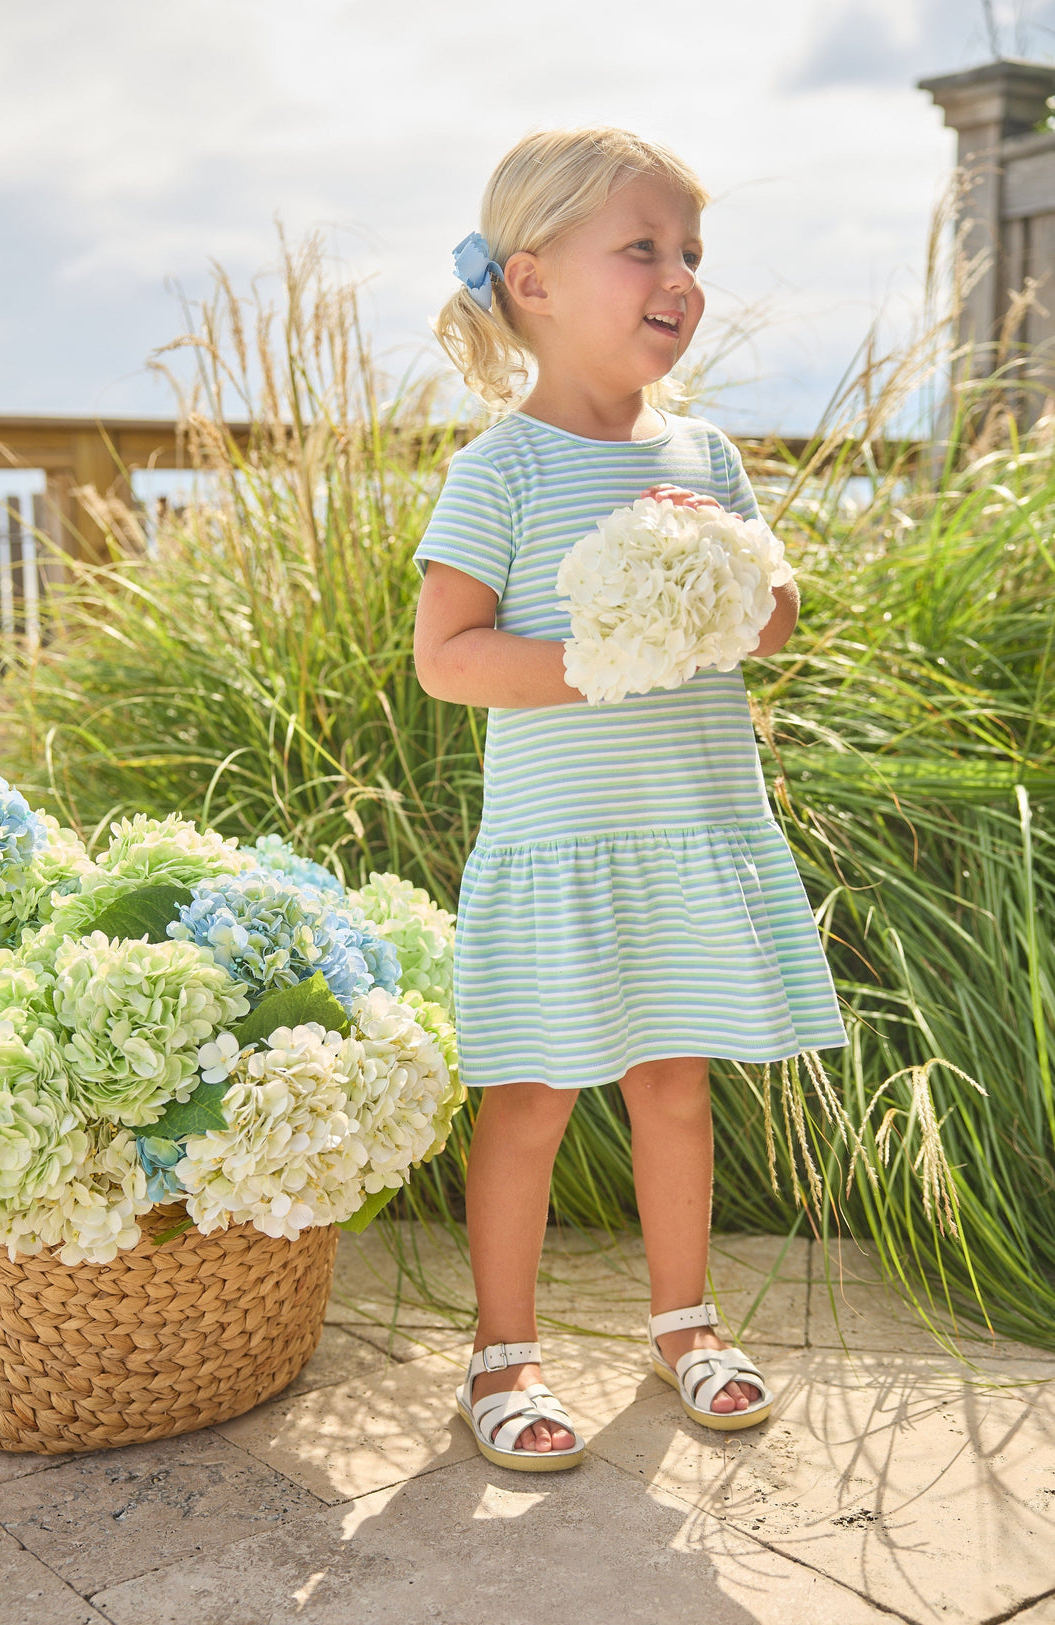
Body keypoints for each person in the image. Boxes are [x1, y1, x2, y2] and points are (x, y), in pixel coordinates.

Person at [412, 127, 847, 1472]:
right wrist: (602, 653)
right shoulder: (505, 468)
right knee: (531, 1095)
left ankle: (685, 1318)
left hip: (688, 831)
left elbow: (773, 619)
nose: (681, 276)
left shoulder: (706, 455)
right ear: (533, 281)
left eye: (692, 253)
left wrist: (722, 573)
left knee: (674, 1081)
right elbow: (447, 656)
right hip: (567, 842)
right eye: (644, 248)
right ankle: (503, 1348)